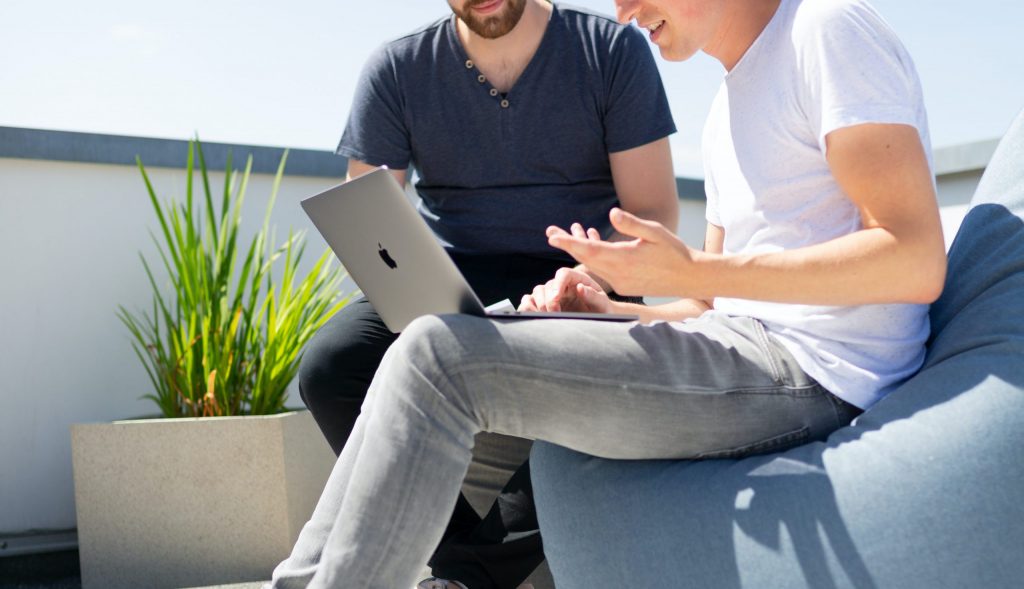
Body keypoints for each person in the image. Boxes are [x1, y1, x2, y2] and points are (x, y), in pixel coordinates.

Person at [270, 0, 947, 587]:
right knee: (413, 355)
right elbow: (706, 308)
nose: (623, 12)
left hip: (812, 374)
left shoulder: (826, 29)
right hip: (737, 348)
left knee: (437, 360)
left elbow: (916, 259)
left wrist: (690, 275)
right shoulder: (730, 100)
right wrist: (611, 308)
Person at [290, 0, 679, 587]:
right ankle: (467, 561)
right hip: (450, 279)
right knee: (330, 365)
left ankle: (466, 576)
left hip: (580, 277)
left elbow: (652, 212)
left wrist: (592, 281)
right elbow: (366, 221)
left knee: (567, 386)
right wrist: (412, 287)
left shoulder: (609, 49)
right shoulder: (397, 68)